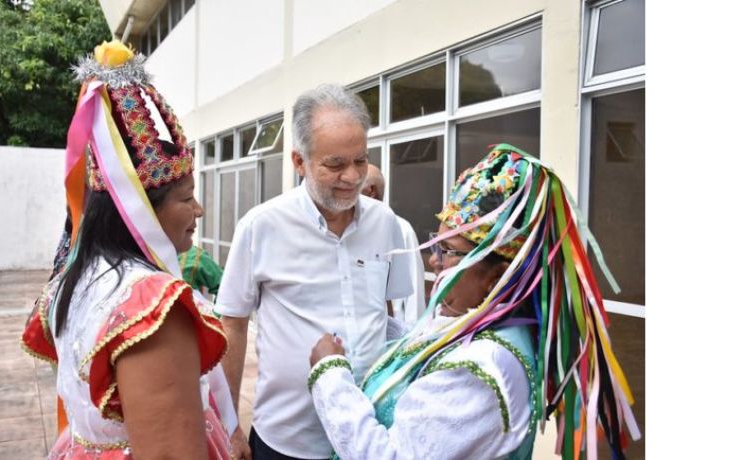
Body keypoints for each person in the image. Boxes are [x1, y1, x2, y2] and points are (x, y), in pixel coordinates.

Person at [308, 144, 641, 459]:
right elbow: (426, 344)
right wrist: (377, 321)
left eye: (449, 252)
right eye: (435, 245)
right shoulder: (476, 323)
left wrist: (330, 374)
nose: (433, 261)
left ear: (497, 277)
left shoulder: (482, 369)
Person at [22, 39, 237, 459]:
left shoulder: (78, 278)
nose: (199, 209)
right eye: (185, 197)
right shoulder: (152, 309)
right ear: (141, 211)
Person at [216, 83, 414, 460]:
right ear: (298, 161)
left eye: (360, 160)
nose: (353, 176)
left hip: (369, 435)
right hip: (289, 440)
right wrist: (229, 426)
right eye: (335, 164)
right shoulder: (262, 226)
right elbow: (234, 324)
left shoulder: (385, 222)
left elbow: (387, 315)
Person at [360, 165, 426, 326]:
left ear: (371, 191)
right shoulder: (344, 231)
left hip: (391, 335)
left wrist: (412, 339)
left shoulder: (401, 229)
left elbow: (414, 292)